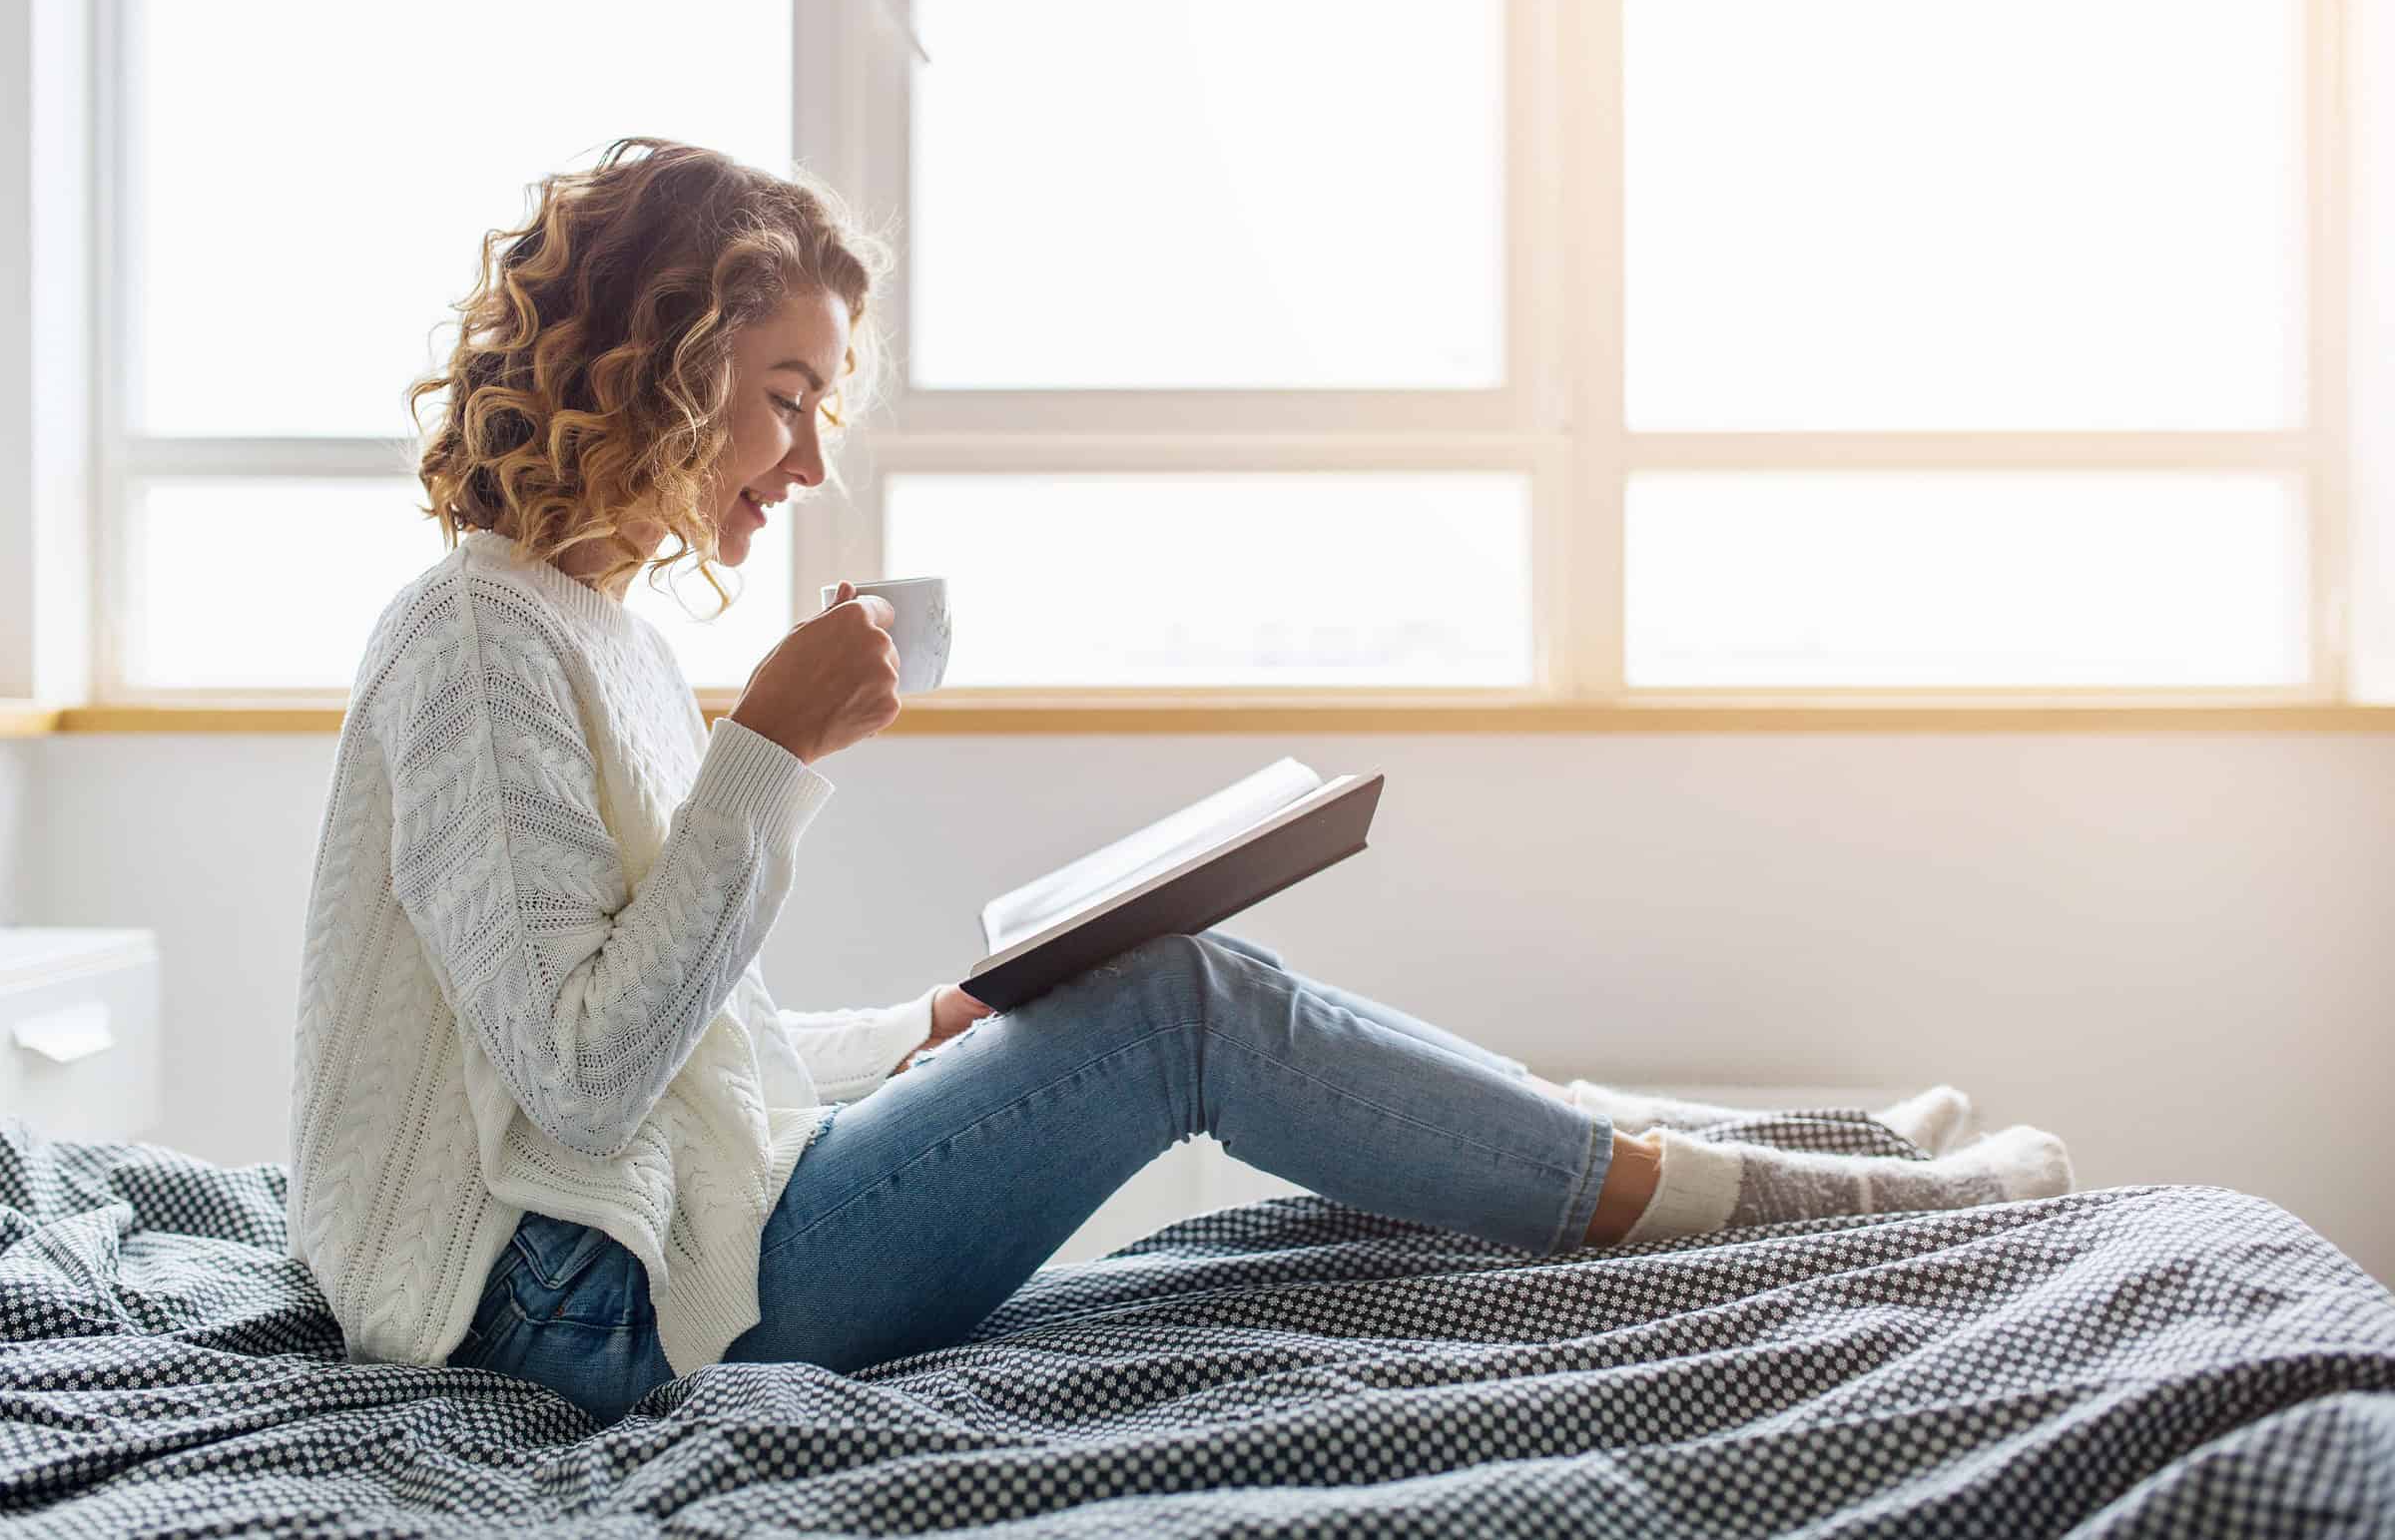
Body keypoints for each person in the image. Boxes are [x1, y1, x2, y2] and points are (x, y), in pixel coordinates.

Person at [287, 138, 2075, 1430]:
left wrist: (922, 1023)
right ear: (659, 368)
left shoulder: (580, 628)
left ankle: (1782, 1158)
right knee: (1190, 1012)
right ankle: (1799, 1202)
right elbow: (585, 1084)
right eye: (782, 396)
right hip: (572, 1310)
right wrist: (768, 752)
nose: (809, 461)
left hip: (641, 1239)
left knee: (1146, 992)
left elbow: (672, 1050)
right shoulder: (473, 643)